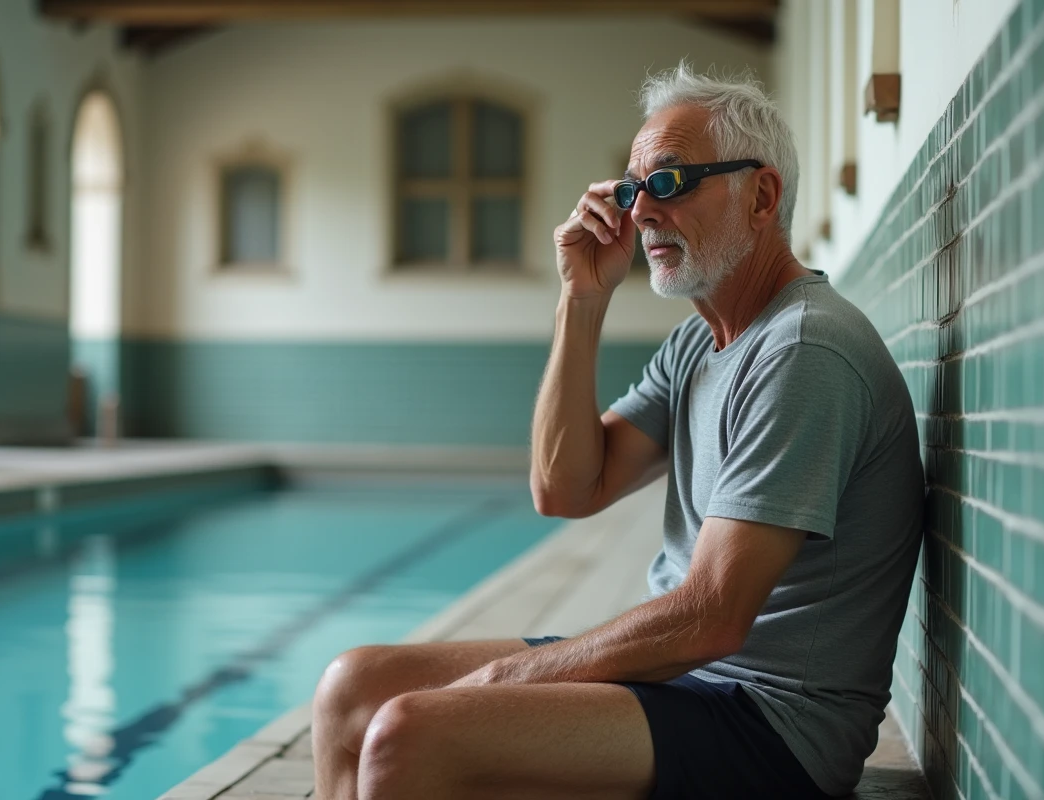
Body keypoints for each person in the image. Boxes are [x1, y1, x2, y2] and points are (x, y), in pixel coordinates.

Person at [311, 62, 924, 800]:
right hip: (689, 681)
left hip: (772, 724)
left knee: (412, 731)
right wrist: (581, 299)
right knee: (353, 687)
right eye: (633, 191)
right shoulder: (701, 341)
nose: (642, 214)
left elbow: (713, 618)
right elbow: (565, 487)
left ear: (761, 196)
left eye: (669, 183)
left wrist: (506, 680)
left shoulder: (802, 351)